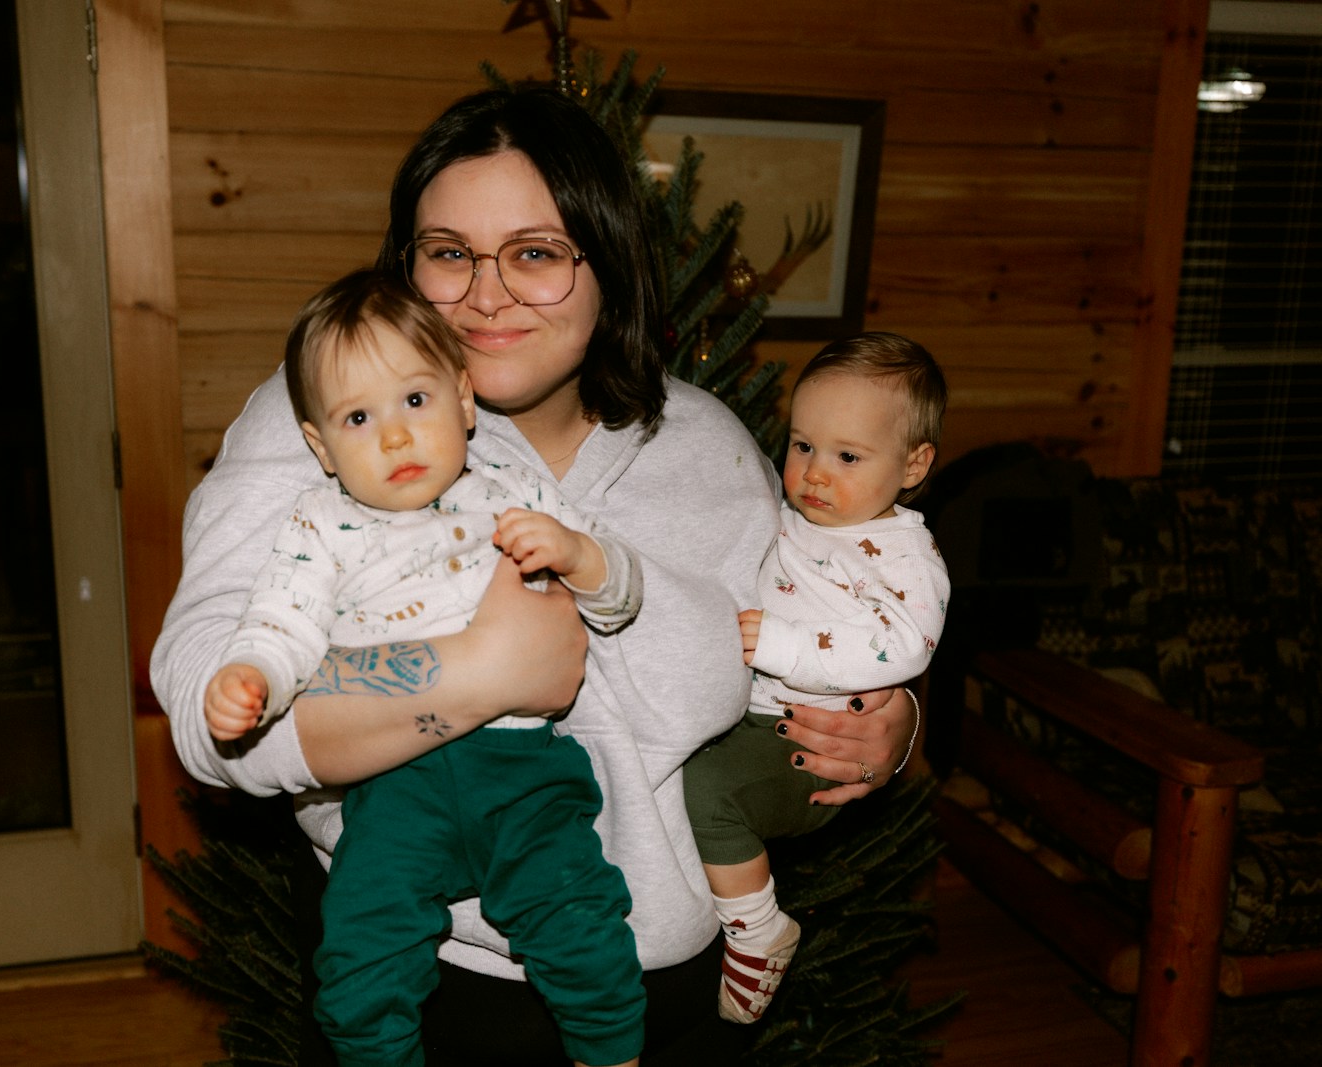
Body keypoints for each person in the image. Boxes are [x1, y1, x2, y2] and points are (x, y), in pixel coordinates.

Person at [150, 84, 922, 1067]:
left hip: (658, 980)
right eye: (447, 252)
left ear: (607, 262)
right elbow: (206, 716)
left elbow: (813, 628)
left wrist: (889, 725)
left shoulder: (707, 447)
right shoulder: (330, 420)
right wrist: (471, 673)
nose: (484, 293)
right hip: (418, 973)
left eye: (536, 252)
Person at [204, 268, 646, 1067]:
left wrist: (579, 555)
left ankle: (609, 1052)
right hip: (395, 782)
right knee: (362, 950)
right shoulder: (322, 522)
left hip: (520, 770)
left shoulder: (513, 489)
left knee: (578, 914)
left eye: (416, 400)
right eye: (359, 417)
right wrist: (255, 674)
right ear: (321, 447)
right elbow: (285, 618)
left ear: (464, 401)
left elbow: (619, 594)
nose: (396, 436)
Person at [683, 332, 950, 1025]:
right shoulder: (795, 517)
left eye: (847, 456)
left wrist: (784, 645)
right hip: (751, 715)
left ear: (914, 463)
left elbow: (906, 647)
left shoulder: (905, 557)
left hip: (801, 741)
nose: (814, 474)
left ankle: (755, 927)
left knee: (706, 791)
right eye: (802, 445)